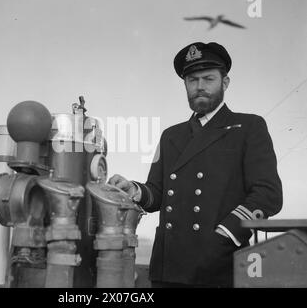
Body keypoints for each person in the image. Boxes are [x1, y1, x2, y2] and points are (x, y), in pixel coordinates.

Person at [108, 42, 283, 287]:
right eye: (192, 80)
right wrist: (134, 190)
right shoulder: (171, 135)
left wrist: (225, 234)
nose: (199, 87)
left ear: (225, 82)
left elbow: (268, 194)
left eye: (208, 78)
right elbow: (157, 193)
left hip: (219, 264)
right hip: (169, 265)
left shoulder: (249, 127)